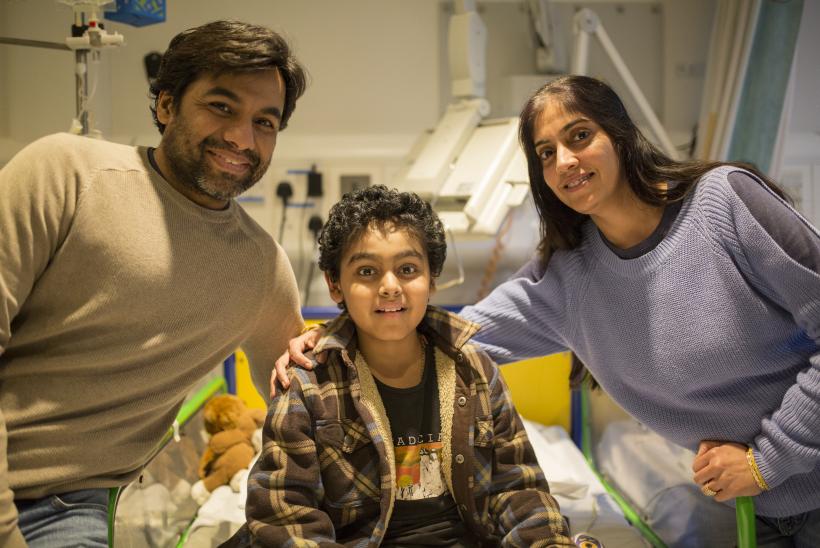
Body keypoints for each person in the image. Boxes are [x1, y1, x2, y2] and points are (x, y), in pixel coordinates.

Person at [278, 75, 820, 546]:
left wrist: (766, 461)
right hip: (758, 506)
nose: (564, 161)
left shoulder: (723, 204)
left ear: (621, 135)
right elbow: (447, 338)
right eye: (545, 152)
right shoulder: (568, 277)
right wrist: (331, 339)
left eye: (579, 136)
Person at [0, 20, 307, 547]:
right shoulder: (67, 176)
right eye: (221, 107)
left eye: (265, 122)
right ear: (166, 105)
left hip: (74, 505)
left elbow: (305, 389)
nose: (242, 138)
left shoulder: (261, 268)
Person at [231, 186, 575, 547]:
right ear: (335, 285)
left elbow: (519, 489)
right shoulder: (308, 386)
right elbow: (285, 515)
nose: (390, 287)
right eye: (367, 271)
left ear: (432, 279)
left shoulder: (474, 370)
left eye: (408, 269)